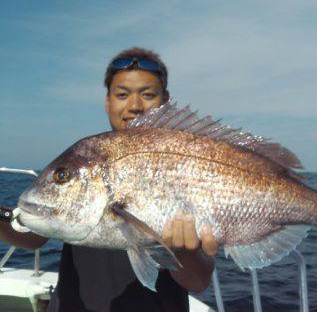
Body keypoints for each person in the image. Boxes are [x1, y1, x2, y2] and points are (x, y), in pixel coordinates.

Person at [0, 47, 219, 312]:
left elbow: (198, 281)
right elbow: (31, 235)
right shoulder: (88, 157)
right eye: (122, 94)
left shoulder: (192, 157)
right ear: (108, 101)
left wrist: (184, 249)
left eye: (148, 95)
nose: (135, 106)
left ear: (166, 101)